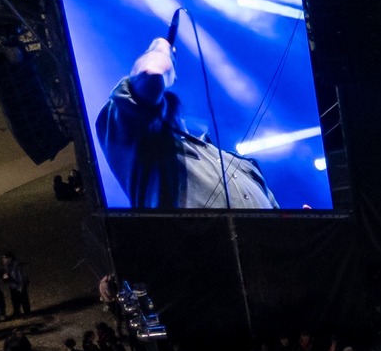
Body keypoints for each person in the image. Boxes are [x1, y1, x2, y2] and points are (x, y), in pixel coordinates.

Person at [95, 11, 276, 209]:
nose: (164, 108)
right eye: (158, 104)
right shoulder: (146, 146)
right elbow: (151, 73)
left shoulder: (245, 166)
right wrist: (161, 48)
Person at [1, 252, 30, 317]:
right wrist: (5, 277)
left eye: (5, 258)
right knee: (15, 301)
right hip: (13, 287)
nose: (3, 260)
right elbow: (7, 275)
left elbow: (21, 278)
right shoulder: (6, 266)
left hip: (19, 286)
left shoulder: (17, 266)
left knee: (24, 300)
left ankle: (27, 313)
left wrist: (21, 287)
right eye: (3, 259)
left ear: (10, 258)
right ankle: (17, 313)